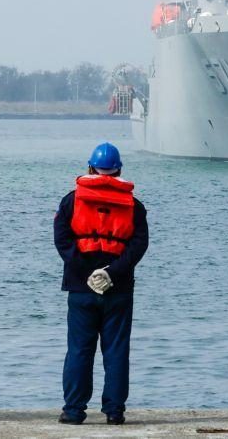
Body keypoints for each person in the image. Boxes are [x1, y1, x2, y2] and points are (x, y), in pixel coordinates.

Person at [53, 142, 149, 426]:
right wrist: (111, 273)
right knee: (116, 350)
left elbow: (62, 241)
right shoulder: (134, 205)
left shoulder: (71, 201)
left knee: (80, 350)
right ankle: (115, 412)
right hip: (118, 289)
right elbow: (138, 245)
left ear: (90, 167)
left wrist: (88, 273)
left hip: (81, 289)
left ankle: (73, 411)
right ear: (119, 169)